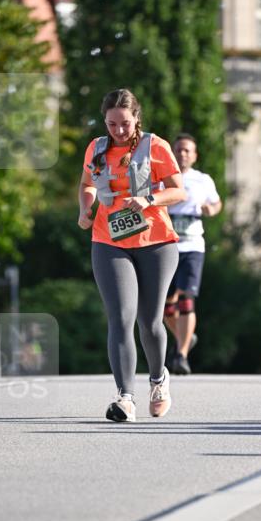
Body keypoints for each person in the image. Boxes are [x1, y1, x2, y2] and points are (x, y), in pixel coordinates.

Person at [78, 88, 186, 422]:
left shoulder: (156, 147)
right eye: (112, 124)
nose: (119, 131)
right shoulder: (96, 148)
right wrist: (85, 208)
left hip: (156, 242)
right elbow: (87, 184)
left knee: (150, 321)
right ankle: (125, 398)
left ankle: (158, 379)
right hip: (109, 241)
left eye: (124, 124)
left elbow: (178, 190)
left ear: (136, 118)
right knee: (121, 318)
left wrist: (150, 199)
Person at [164, 134, 222, 375]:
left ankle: (181, 355)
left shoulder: (202, 180)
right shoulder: (162, 177)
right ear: (172, 152)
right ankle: (184, 337)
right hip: (166, 246)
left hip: (192, 246)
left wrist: (211, 209)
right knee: (165, 306)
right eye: (179, 149)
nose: (183, 154)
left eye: (188, 150)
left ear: (195, 155)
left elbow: (217, 204)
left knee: (187, 298)